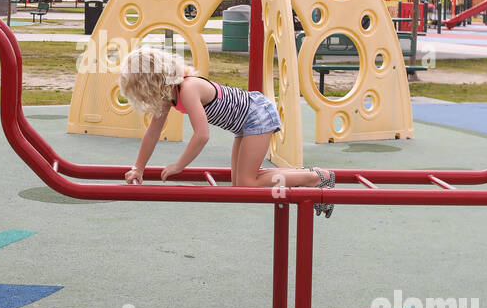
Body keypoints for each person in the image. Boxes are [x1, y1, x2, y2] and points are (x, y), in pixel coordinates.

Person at [117, 45, 337, 216]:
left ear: (150, 83)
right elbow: (153, 132)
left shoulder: (187, 88)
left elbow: (202, 135)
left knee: (247, 184)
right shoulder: (169, 97)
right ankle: (310, 176)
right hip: (244, 124)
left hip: (257, 115)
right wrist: (138, 168)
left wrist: (179, 165)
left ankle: (316, 178)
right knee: (241, 184)